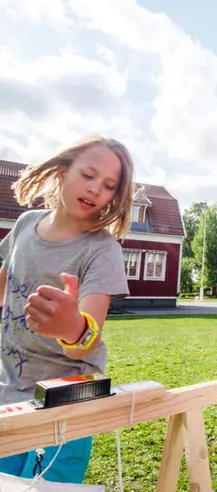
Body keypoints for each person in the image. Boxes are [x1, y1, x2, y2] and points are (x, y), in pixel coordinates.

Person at [0, 136, 133, 483]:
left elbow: (88, 339)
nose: (95, 190)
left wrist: (70, 326)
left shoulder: (103, 251)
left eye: (108, 186)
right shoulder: (25, 225)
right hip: (6, 394)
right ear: (62, 173)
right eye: (88, 175)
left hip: (65, 406)